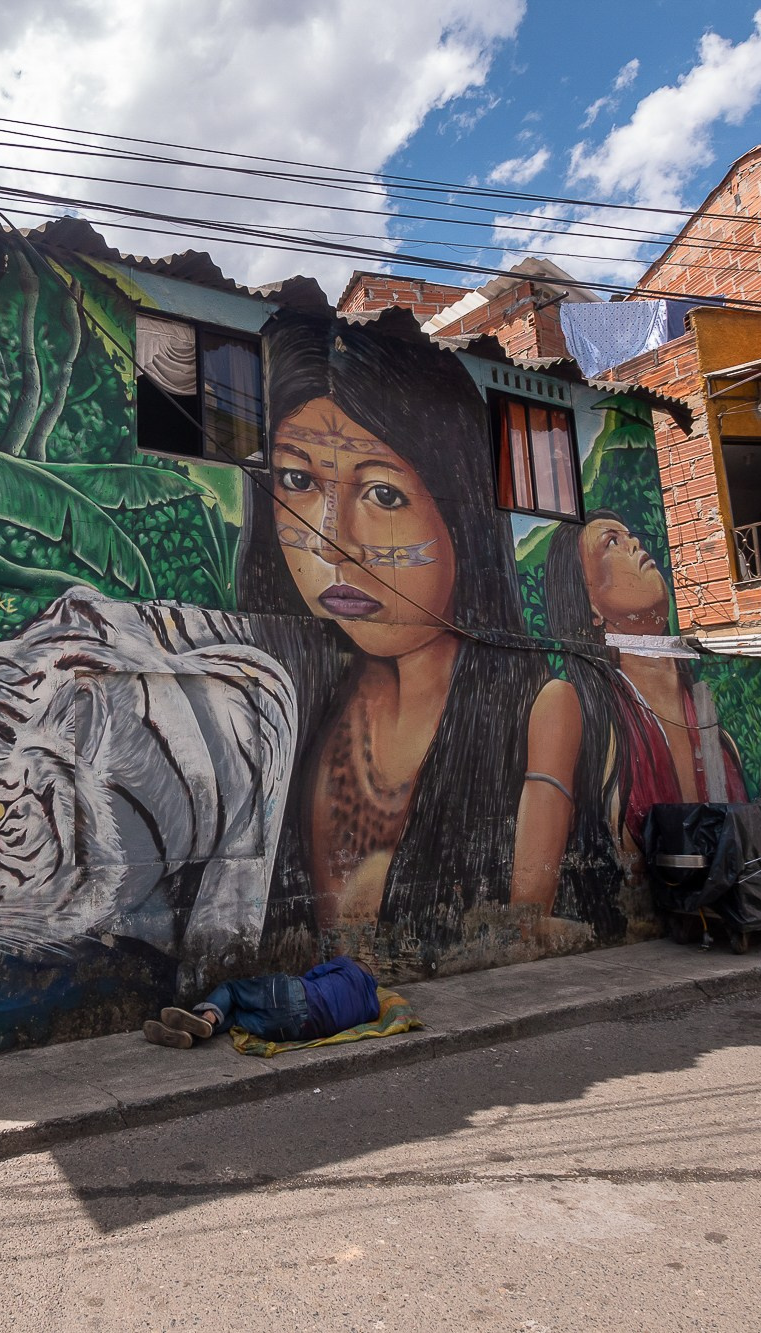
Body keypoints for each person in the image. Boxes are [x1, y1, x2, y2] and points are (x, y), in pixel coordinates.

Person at [241, 312, 538, 967]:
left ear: (459, 505)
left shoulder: (532, 706)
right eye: (296, 480)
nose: (329, 543)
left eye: (381, 492)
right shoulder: (291, 700)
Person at [511, 513, 745, 936]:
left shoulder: (712, 723)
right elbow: (527, 920)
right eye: (612, 543)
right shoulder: (570, 707)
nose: (637, 543)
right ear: (591, 605)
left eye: (632, 533)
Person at [143, 955, 379, 1048]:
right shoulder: (372, 1007)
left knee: (232, 991)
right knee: (235, 1016)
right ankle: (189, 1035)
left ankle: (206, 1017)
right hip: (293, 1030)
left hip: (294, 995)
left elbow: (313, 974)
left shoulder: (348, 967)